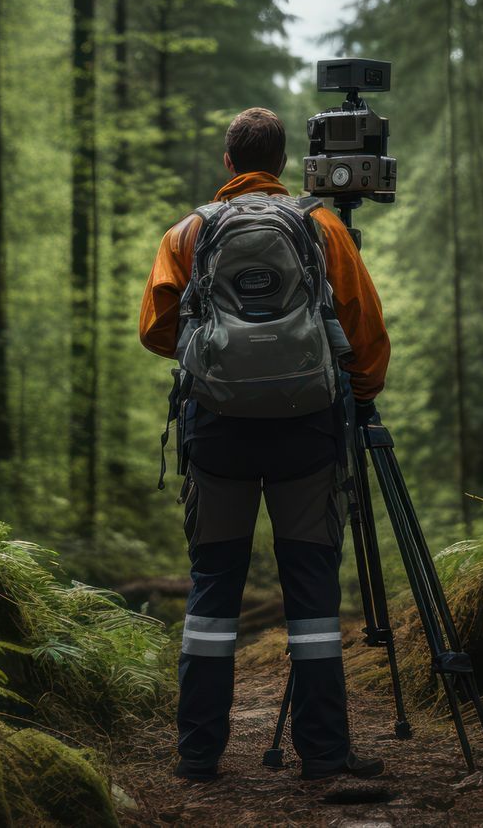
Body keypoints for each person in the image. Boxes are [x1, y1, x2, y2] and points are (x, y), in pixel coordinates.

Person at [137, 107, 391, 782]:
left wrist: (213, 351)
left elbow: (156, 330)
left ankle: (198, 755)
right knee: (311, 588)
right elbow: (363, 329)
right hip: (306, 429)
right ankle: (325, 754)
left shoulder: (188, 232)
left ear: (228, 163)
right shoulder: (322, 226)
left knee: (213, 586)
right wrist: (359, 394)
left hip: (218, 429)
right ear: (282, 166)